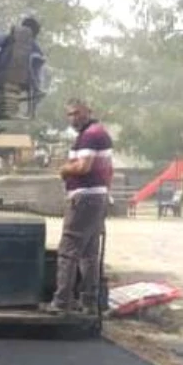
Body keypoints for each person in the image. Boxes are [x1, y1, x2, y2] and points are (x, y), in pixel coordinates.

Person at [46, 97, 113, 314]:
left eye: (77, 113)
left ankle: (62, 302)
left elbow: (84, 167)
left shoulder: (90, 135)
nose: (73, 118)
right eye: (70, 114)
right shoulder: (94, 133)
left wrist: (64, 170)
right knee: (88, 253)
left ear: (88, 111)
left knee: (68, 251)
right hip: (97, 198)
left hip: (84, 199)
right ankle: (89, 302)